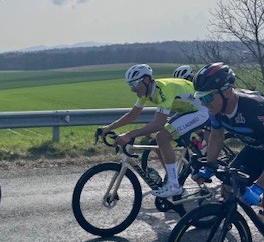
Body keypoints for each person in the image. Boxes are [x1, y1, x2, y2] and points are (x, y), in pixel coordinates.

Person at [97, 64, 209, 198]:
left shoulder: (163, 90)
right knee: (158, 143)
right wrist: (109, 128)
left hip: (202, 110)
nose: (132, 89)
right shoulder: (145, 92)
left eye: (134, 84)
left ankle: (174, 185)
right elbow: (132, 115)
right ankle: (174, 181)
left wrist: (129, 135)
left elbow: (158, 124)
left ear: (146, 80)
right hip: (187, 111)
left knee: (162, 137)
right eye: (130, 85)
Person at [192, 62, 264, 208]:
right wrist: (210, 165)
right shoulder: (216, 111)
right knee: (229, 187)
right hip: (256, 149)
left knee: (260, 200)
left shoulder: (255, 108)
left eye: (207, 98)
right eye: (200, 98)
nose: (204, 104)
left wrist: (259, 186)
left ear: (226, 91)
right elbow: (216, 136)